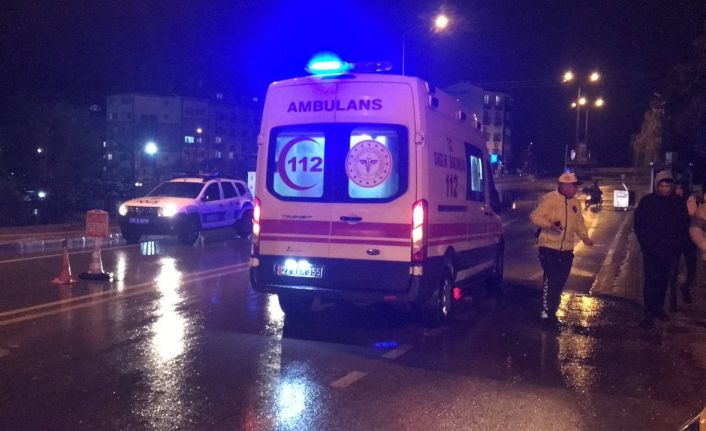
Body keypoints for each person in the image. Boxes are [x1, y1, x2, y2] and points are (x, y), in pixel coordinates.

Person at [530, 172, 593, 328]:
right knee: (551, 281)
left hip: (566, 250)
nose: (576, 189)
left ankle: (552, 312)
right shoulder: (549, 199)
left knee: (559, 282)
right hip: (549, 247)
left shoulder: (575, 203)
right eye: (574, 186)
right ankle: (546, 316)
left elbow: (579, 222)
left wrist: (584, 237)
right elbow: (535, 217)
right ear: (564, 186)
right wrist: (549, 225)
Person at [634, 170, 690, 329]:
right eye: (661, 185)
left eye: (667, 186)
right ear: (657, 186)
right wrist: (645, 244)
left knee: (663, 282)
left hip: (669, 251)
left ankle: (658, 308)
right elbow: (639, 224)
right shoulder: (647, 202)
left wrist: (677, 246)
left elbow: (683, 226)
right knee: (651, 282)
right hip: (651, 251)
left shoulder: (678, 203)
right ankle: (648, 313)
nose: (664, 189)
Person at [670, 179, 697, 310]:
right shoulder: (671, 201)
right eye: (676, 188)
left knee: (692, 270)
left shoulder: (690, 200)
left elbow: (694, 217)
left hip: (690, 240)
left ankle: (685, 286)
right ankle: (673, 301)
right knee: (673, 271)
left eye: (681, 188)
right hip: (675, 241)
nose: (678, 191)